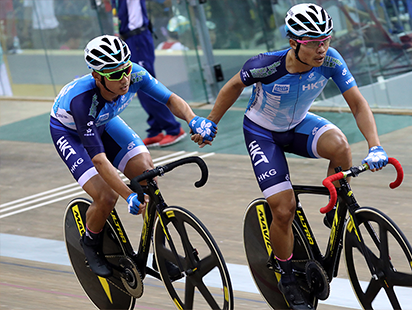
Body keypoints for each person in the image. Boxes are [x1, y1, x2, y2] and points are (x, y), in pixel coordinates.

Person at [192, 3, 388, 309]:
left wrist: (375, 145)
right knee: (283, 210)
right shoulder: (267, 65)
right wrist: (210, 122)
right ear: (293, 41)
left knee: (341, 147)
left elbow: (358, 104)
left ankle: (335, 212)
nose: (322, 48)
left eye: (326, 39)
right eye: (313, 42)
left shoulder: (331, 61)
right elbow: (232, 86)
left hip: (298, 125)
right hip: (263, 133)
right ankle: (284, 273)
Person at [50, 35, 216, 277]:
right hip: (71, 133)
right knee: (106, 196)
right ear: (97, 76)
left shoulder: (135, 74)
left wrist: (193, 119)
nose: (125, 78)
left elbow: (170, 99)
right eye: (115, 74)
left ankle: (159, 250)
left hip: (104, 122)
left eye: (126, 69)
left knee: (147, 176)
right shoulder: (82, 101)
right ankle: (90, 243)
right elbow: (99, 160)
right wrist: (128, 195)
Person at [115, 0, 186, 147]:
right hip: (130, 39)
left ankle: (173, 129)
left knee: (143, 84)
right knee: (138, 86)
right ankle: (156, 130)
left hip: (138, 38)